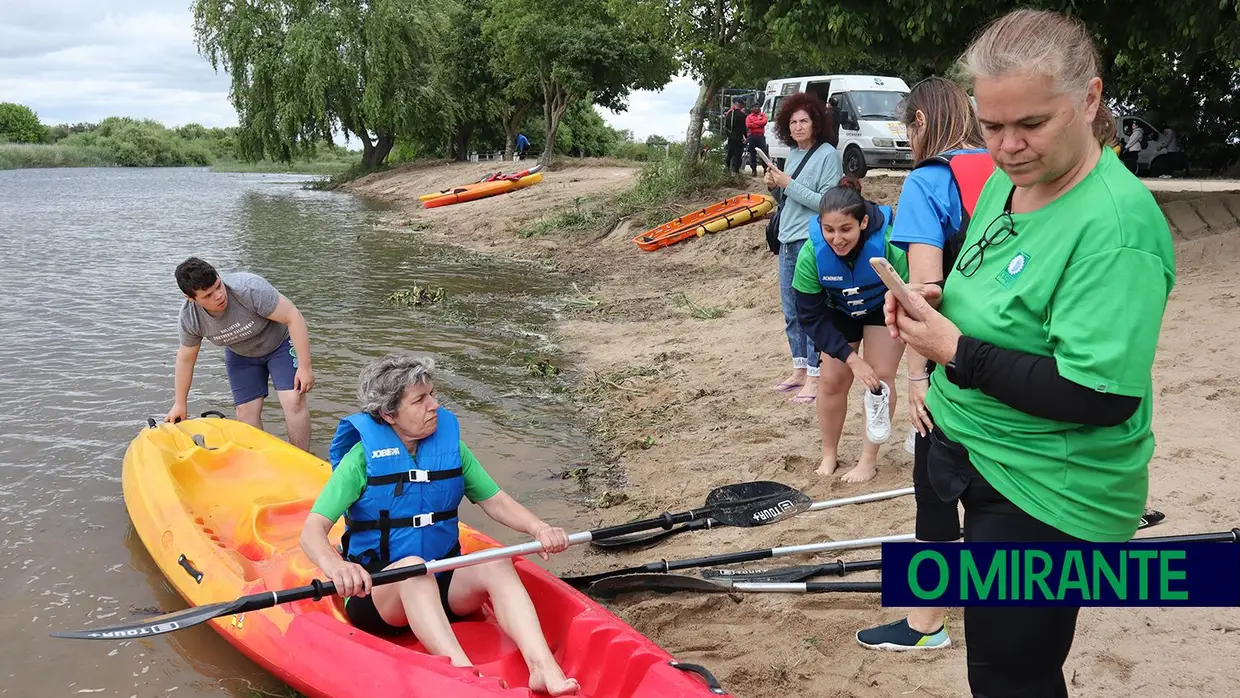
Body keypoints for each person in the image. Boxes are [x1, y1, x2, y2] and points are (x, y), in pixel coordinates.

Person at [884, 9, 1175, 695]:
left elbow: (1099, 397)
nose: (1008, 145)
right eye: (991, 125)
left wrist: (956, 350)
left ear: (1091, 99)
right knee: (998, 661)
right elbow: (997, 291)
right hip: (972, 450)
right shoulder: (1007, 179)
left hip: (1046, 489)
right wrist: (935, 300)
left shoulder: (1116, 226)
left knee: (1010, 676)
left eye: (1032, 124)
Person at [300, 353, 580, 696]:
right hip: (381, 594)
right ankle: (466, 680)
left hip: (447, 582)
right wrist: (335, 565)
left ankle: (543, 668)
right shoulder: (360, 461)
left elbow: (495, 500)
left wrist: (539, 528)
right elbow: (312, 530)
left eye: (431, 394)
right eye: (420, 400)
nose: (434, 405)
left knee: (496, 559)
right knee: (414, 571)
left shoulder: (451, 448)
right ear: (389, 414)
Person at [854, 75, 993, 652]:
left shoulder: (928, 182)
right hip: (1013, 356)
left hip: (953, 363)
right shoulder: (1008, 171)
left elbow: (922, 294)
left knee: (934, 487)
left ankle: (924, 625)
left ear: (920, 123)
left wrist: (918, 378)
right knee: (998, 492)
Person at [793, 176, 906, 483]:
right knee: (831, 381)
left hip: (883, 306)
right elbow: (809, 316)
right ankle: (830, 453)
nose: (837, 238)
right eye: (828, 230)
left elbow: (909, 297)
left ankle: (868, 460)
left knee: (880, 378)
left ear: (863, 222)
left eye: (846, 229)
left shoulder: (891, 244)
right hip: (839, 307)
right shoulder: (811, 254)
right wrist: (851, 358)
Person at [168, 257, 314, 451]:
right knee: (246, 413)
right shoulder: (190, 318)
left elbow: (293, 316)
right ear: (191, 299)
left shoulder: (249, 289)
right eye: (208, 295)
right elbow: (186, 359)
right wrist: (180, 403)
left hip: (279, 345)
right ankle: (259, 462)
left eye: (218, 286)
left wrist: (305, 367)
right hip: (241, 356)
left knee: (293, 400)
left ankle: (302, 458)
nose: (219, 295)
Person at [765, 92, 843, 406]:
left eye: (804, 121)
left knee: (812, 311)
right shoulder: (792, 155)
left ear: (816, 123)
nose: (798, 127)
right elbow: (789, 201)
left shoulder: (827, 154)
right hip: (786, 239)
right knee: (791, 311)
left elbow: (827, 202)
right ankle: (798, 369)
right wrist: (775, 186)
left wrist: (788, 184)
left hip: (811, 241)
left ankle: (815, 374)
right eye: (793, 122)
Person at [723, 97, 748, 174]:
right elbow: (744, 128)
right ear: (739, 104)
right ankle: (735, 170)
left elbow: (725, 127)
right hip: (738, 136)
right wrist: (746, 137)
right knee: (737, 154)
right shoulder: (742, 115)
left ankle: (726, 169)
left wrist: (728, 135)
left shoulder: (729, 114)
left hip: (730, 136)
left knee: (729, 153)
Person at [745, 105, 770, 176]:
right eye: (754, 107)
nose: (756, 108)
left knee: (764, 154)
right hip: (752, 136)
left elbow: (764, 122)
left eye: (758, 107)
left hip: (761, 137)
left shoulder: (763, 115)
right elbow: (749, 125)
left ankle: (766, 170)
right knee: (752, 154)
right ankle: (753, 170)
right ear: (751, 108)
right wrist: (759, 123)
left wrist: (754, 123)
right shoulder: (749, 117)